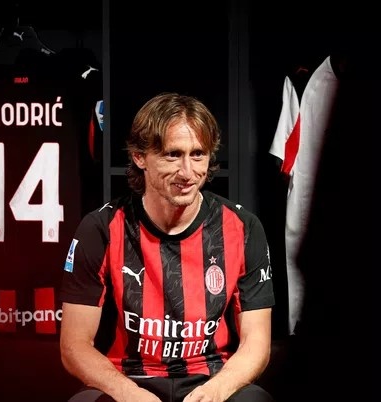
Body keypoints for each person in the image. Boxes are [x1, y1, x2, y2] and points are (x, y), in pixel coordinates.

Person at [59, 92, 276, 402]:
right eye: (173, 155)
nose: (187, 172)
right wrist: (129, 394)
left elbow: (257, 342)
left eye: (198, 154)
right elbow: (74, 345)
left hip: (211, 379)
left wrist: (216, 391)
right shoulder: (100, 229)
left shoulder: (243, 227)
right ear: (139, 157)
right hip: (129, 380)